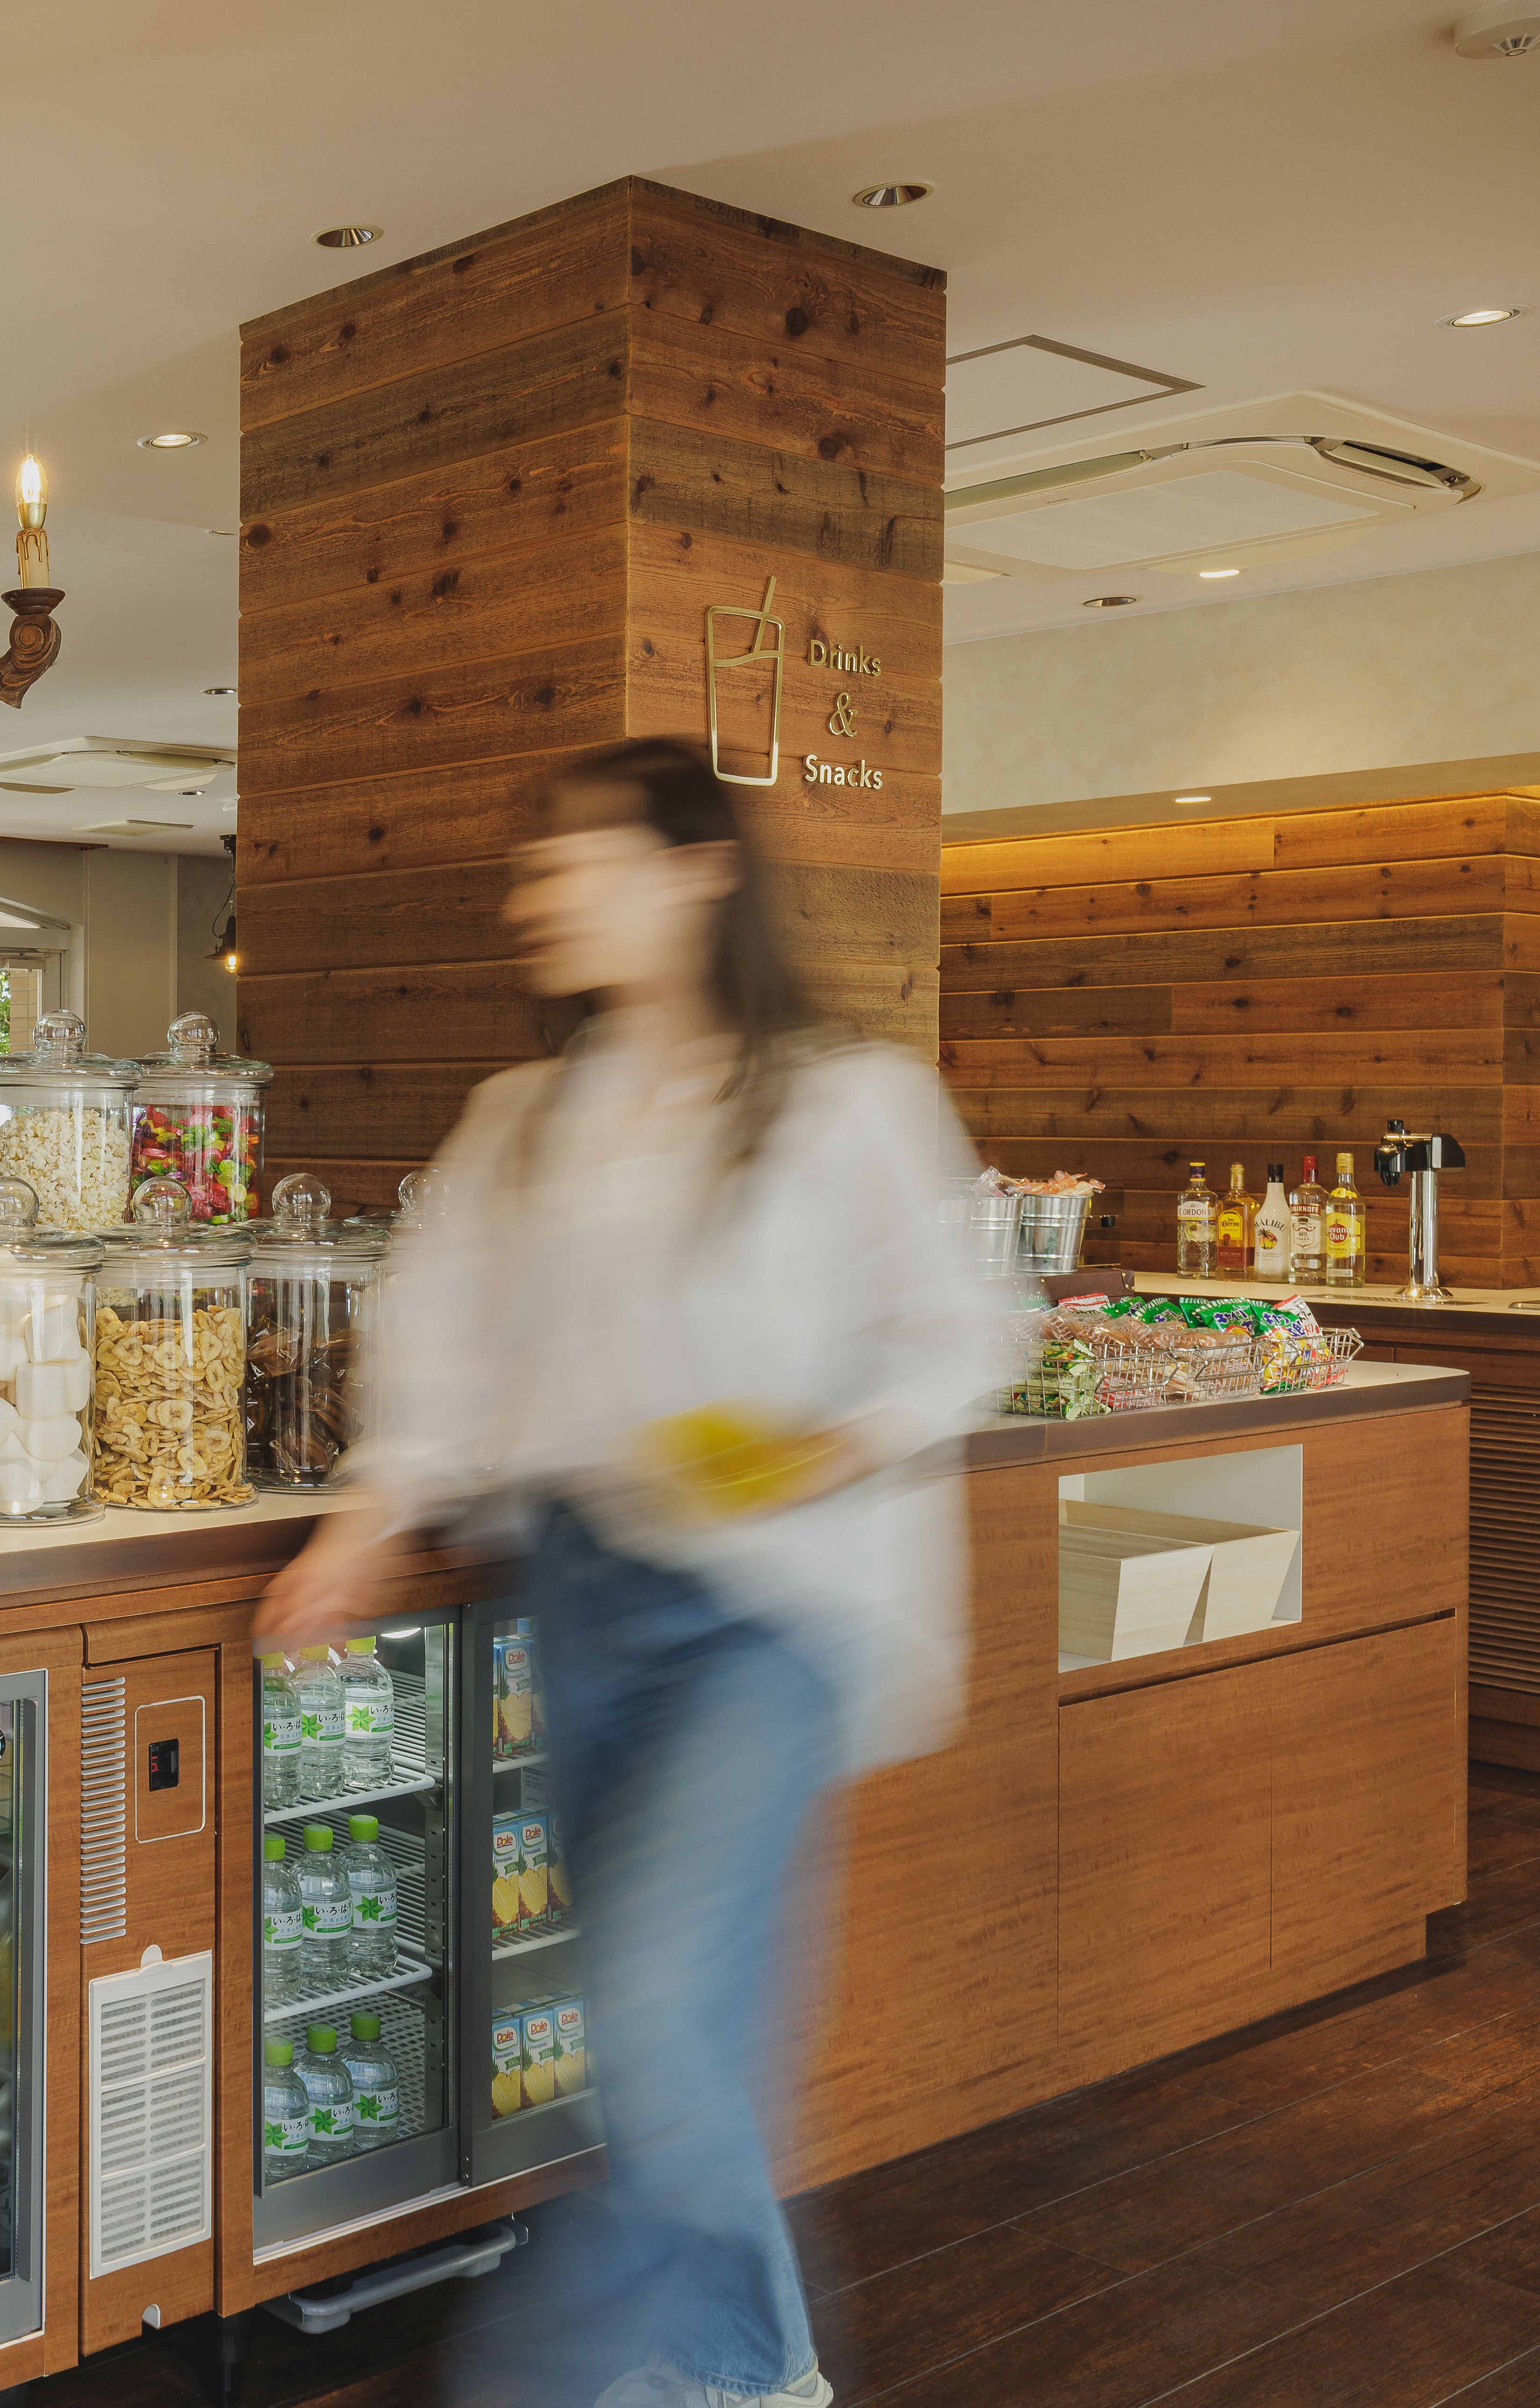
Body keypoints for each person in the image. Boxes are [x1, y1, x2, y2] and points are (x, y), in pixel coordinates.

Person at [256, 737, 1011, 2408]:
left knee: (656, 2015)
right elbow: (443, 1349)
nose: (538, 898)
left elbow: (965, 1331)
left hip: (771, 1611)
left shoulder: (847, 1096)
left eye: (575, 862)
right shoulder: (523, 1118)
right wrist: (367, 1516)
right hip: (580, 1597)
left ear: (699, 874)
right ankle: (760, 2372)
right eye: (534, 872)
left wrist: (835, 1439)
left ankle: (558, 2376)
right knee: (675, 2037)